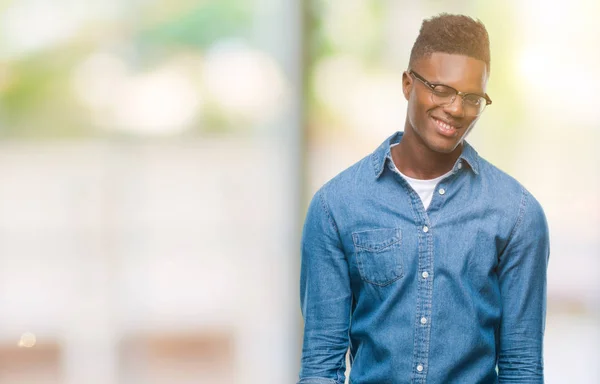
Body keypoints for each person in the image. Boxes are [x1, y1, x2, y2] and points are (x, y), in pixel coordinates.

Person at [298, 13, 549, 384]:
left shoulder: (516, 214)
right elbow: (321, 366)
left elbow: (522, 368)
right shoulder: (336, 207)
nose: (456, 109)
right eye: (441, 89)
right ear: (407, 83)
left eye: (472, 97)